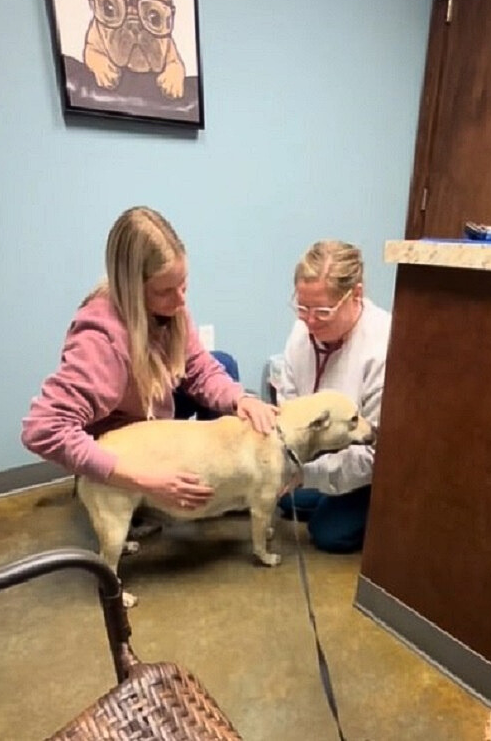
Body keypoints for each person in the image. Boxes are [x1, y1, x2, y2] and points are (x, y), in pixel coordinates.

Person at [21, 206, 277, 509]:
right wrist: (144, 478)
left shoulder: (170, 308)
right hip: (123, 440)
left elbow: (198, 368)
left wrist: (240, 399)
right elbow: (43, 428)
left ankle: (216, 492)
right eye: (166, 290)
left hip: (152, 410)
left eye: (184, 285)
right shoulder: (100, 340)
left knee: (224, 365)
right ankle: (140, 497)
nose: (181, 300)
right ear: (132, 289)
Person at [277, 239, 391, 553]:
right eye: (302, 308)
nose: (309, 322)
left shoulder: (383, 349)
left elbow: (374, 453)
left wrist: (303, 474)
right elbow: (287, 406)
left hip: (370, 468)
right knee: (284, 499)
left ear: (356, 294)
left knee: (328, 534)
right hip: (320, 457)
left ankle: (374, 508)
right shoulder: (304, 331)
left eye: (322, 312)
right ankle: (321, 494)